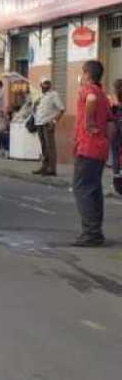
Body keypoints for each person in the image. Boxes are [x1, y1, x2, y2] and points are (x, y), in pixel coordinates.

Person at [71, 60, 111, 248]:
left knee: (82, 188)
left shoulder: (90, 90)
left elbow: (90, 100)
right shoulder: (104, 94)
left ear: (87, 74)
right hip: (100, 148)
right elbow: (110, 123)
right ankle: (96, 231)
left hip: (87, 147)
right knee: (94, 189)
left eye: (83, 73)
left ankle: (91, 233)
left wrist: (88, 122)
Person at [32, 78, 65, 176]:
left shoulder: (54, 95)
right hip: (39, 123)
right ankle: (44, 166)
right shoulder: (40, 96)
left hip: (48, 124)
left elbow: (62, 109)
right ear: (40, 85)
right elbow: (35, 110)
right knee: (43, 146)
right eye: (44, 83)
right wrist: (35, 105)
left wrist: (54, 121)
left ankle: (52, 169)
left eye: (48, 83)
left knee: (50, 146)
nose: (46, 85)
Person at [111, 79, 122, 178]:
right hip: (117, 125)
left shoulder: (115, 99)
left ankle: (116, 173)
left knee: (115, 150)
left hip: (118, 126)